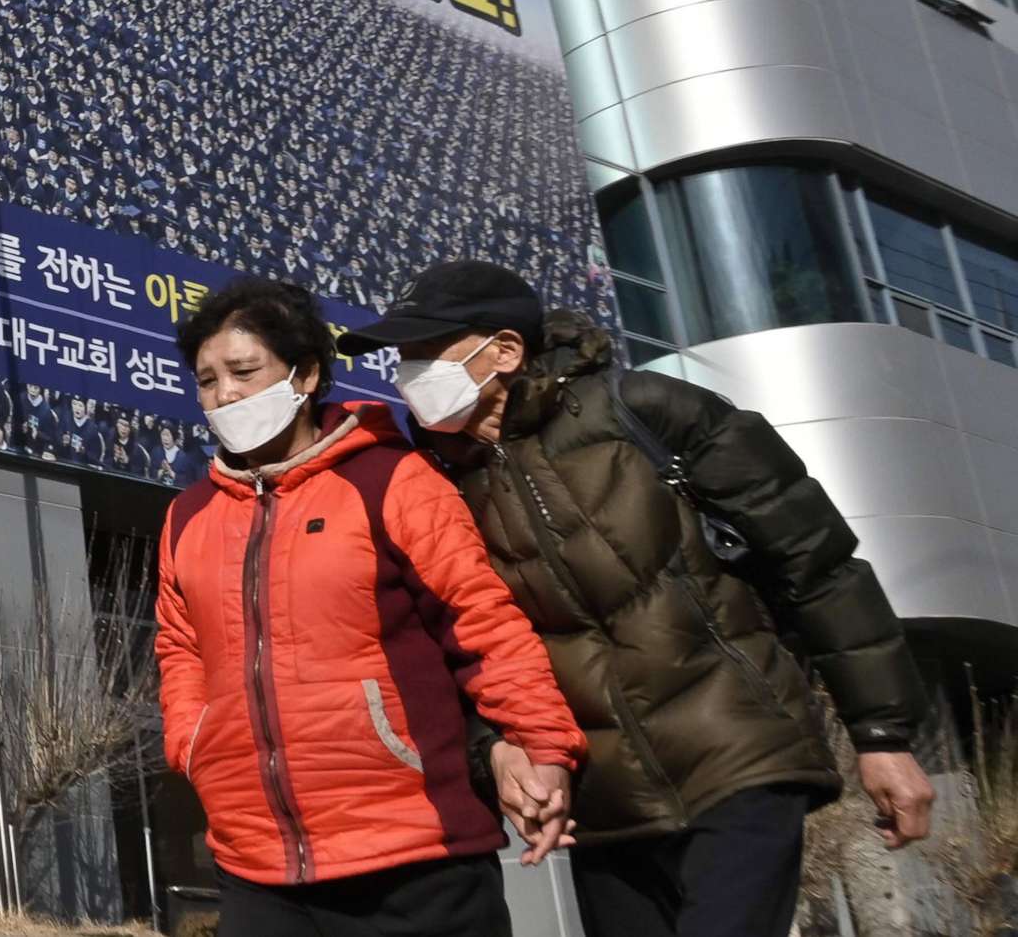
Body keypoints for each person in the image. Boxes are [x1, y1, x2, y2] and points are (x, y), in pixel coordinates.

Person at [338, 260, 936, 937]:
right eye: (402, 357)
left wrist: (882, 735)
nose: (407, 373)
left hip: (737, 751)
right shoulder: (428, 485)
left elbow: (818, 563)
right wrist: (494, 753)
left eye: (426, 352)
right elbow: (449, 649)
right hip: (603, 805)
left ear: (504, 351)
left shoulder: (648, 410)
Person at [158, 276, 584, 936]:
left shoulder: (392, 479)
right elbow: (179, 648)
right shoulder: (188, 517)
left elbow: (482, 626)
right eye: (207, 380)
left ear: (304, 376)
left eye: (243, 372)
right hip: (257, 869)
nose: (225, 395)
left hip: (416, 859)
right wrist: (193, 742)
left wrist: (543, 744)